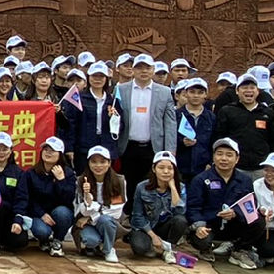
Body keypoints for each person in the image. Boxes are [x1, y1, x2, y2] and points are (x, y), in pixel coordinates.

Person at [186, 137, 255, 257]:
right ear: (213, 157)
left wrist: (236, 213)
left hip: (235, 225)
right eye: (219, 154)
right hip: (209, 225)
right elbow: (193, 208)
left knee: (258, 221)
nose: (224, 158)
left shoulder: (245, 180)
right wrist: (199, 226)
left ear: (237, 159)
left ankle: (239, 248)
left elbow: (250, 206)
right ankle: (206, 249)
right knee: (201, 240)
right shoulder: (201, 179)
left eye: (229, 155)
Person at [114, 56, 176, 188]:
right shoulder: (121, 89)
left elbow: (170, 122)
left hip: (153, 147)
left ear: (153, 70)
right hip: (127, 146)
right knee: (127, 185)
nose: (144, 71)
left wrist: (170, 150)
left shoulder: (165, 92)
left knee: (151, 185)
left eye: (148, 68)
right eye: (139, 67)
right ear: (134, 70)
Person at [127, 151, 188, 260]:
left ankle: (169, 248)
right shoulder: (142, 187)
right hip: (146, 228)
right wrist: (153, 236)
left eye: (170, 168)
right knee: (141, 248)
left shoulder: (181, 187)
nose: (166, 171)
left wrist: (173, 188)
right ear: (154, 169)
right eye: (161, 168)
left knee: (181, 220)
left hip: (164, 227)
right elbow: (137, 216)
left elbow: (180, 213)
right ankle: (154, 246)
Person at [59, 62, 119, 165]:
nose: (98, 79)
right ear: (88, 78)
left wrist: (114, 118)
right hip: (83, 148)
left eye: (101, 76)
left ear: (106, 79)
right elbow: (70, 124)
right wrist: (69, 148)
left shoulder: (112, 100)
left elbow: (120, 127)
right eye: (94, 76)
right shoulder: (79, 98)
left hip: (106, 147)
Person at [26, 135, 77, 256]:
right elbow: (28, 198)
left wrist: (61, 181)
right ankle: (44, 241)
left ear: (60, 154)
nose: (48, 153)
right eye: (46, 150)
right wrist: (41, 214)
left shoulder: (68, 173)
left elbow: (68, 199)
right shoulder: (31, 173)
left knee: (62, 213)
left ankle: (57, 240)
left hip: (59, 213)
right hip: (39, 214)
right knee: (41, 230)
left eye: (52, 151)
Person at [212, 74, 274, 171]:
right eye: (244, 87)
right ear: (237, 91)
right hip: (235, 167)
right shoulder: (227, 111)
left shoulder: (267, 112)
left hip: (261, 167)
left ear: (257, 91)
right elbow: (219, 136)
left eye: (252, 87)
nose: (248, 90)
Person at [74, 146, 123, 261]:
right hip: (87, 224)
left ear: (109, 163)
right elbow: (80, 210)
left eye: (102, 162)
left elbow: (116, 211)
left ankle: (108, 249)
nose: (98, 166)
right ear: (89, 163)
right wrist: (87, 196)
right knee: (90, 241)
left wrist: (91, 217)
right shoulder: (81, 181)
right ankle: (96, 245)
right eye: (94, 162)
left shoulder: (119, 181)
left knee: (105, 220)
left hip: (108, 221)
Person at [173, 76, 215, 183]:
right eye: (192, 92)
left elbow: (214, 142)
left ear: (205, 95)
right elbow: (169, 138)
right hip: (180, 167)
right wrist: (182, 142)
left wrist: (210, 163)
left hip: (203, 168)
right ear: (186, 93)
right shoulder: (175, 115)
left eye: (200, 92)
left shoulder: (211, 117)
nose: (196, 95)